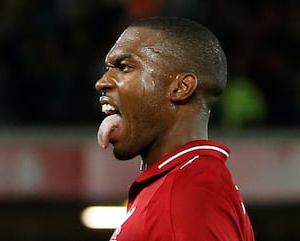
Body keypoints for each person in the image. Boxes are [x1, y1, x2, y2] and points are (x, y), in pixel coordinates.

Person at [95, 16, 255, 241]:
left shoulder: (190, 193)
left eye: (124, 67)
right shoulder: (177, 183)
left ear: (180, 88)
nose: (102, 82)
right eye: (108, 68)